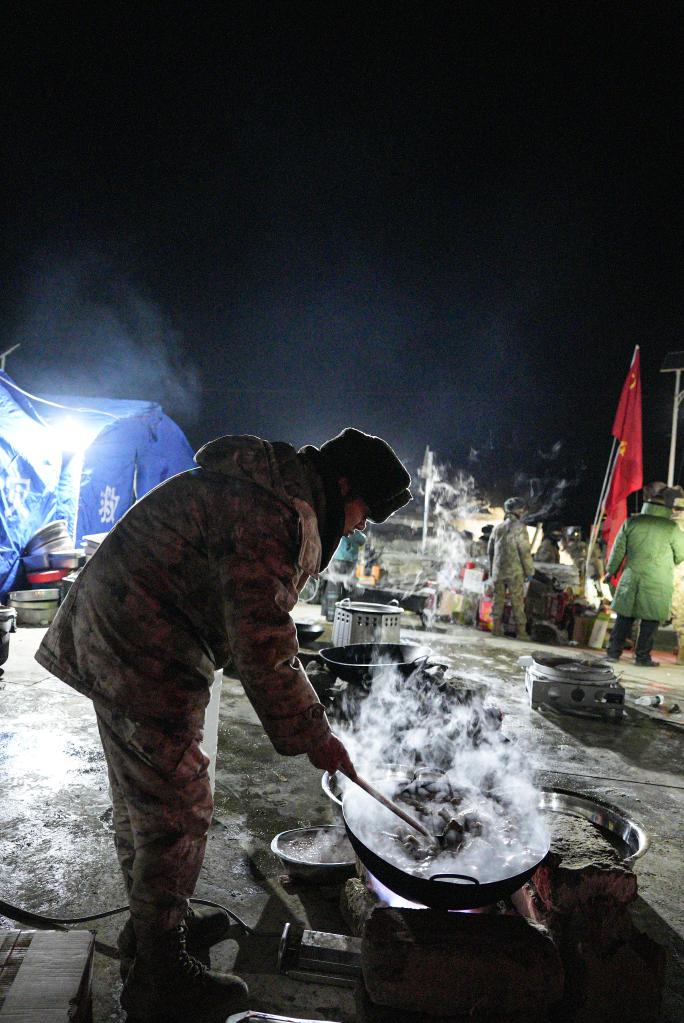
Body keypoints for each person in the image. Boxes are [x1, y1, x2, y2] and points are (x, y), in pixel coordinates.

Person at [35, 428, 412, 1022]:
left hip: (126, 627)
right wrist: (315, 734)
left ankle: (153, 931)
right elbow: (263, 645)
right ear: (343, 485)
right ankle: (161, 979)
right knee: (176, 808)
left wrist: (311, 727)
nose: (360, 527)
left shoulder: (270, 491)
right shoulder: (271, 514)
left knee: (145, 802)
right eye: (365, 512)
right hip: (141, 642)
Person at [605, 481, 684, 667]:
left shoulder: (632, 522)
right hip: (658, 580)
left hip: (631, 577)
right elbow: (681, 554)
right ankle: (642, 657)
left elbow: (618, 551)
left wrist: (611, 571)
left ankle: (613, 653)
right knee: (650, 621)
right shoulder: (671, 527)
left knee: (624, 617)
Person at [487, 497, 534, 638]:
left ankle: (496, 628)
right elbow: (524, 552)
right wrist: (529, 571)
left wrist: (492, 570)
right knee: (517, 602)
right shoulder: (520, 528)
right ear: (518, 511)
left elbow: (490, 551)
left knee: (497, 600)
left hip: (498, 571)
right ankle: (521, 632)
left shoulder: (497, 528)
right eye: (522, 510)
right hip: (515, 572)